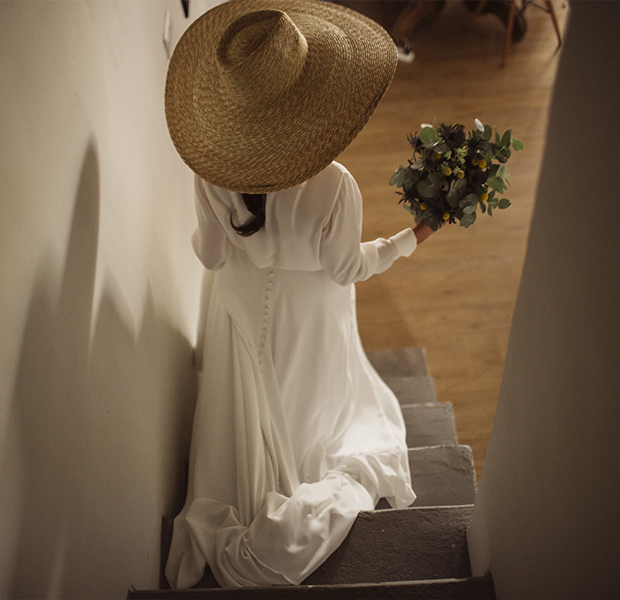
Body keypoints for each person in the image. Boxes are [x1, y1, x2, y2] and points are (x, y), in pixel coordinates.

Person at [163, 0, 434, 588]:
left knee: (250, 417)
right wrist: (407, 241)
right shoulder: (335, 183)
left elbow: (210, 256)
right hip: (310, 316)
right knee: (314, 408)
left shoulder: (210, 169)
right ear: (309, 95)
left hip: (235, 309)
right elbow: (344, 269)